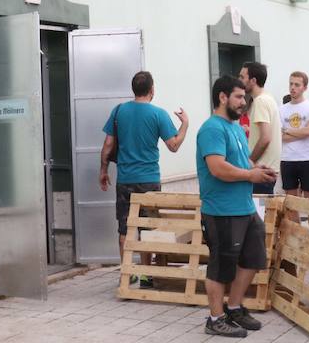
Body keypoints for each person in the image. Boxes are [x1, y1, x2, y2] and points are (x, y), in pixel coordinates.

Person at [197, 76, 276, 337]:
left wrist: (258, 169)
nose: (244, 102)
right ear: (222, 97)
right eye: (239, 97)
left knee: (253, 259)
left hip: (244, 208)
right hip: (222, 211)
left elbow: (241, 162)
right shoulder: (212, 128)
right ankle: (215, 318)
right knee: (221, 268)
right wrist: (249, 176)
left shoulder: (233, 127)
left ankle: (233, 308)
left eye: (244, 97)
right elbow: (217, 167)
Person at [99, 71, 189, 288]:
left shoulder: (119, 111)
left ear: (134, 89)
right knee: (148, 227)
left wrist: (103, 170)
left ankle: (127, 273)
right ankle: (147, 275)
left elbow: (108, 145)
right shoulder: (158, 114)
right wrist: (185, 124)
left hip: (125, 180)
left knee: (125, 227)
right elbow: (173, 145)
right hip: (149, 181)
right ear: (152, 90)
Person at [239, 62, 282, 194]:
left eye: (242, 77)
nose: (239, 80)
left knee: (259, 214)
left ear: (253, 81)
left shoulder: (260, 101)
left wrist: (249, 161)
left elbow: (265, 138)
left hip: (261, 170)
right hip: (267, 169)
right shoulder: (267, 98)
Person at [280, 72, 309, 198]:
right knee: (291, 201)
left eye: (297, 85)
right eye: (291, 84)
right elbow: (279, 136)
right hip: (287, 158)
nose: (293, 87)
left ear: (305, 88)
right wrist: (302, 132)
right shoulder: (281, 109)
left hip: (307, 158)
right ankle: (294, 219)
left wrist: (287, 130)